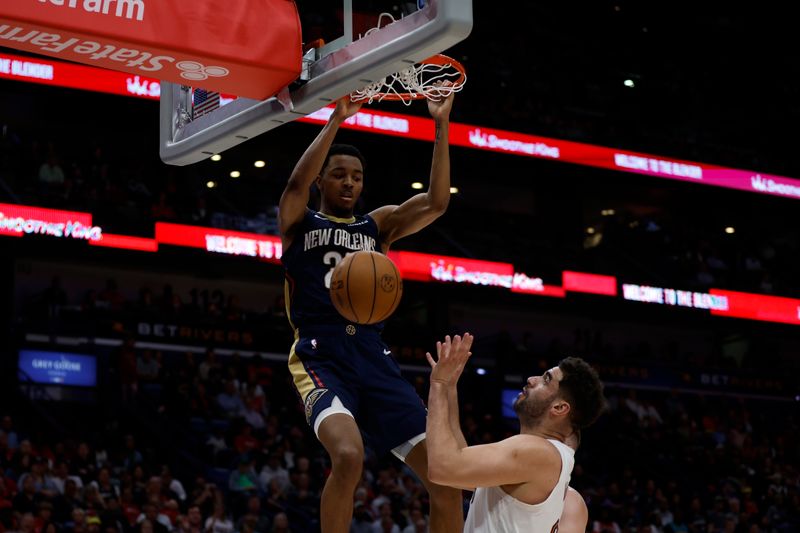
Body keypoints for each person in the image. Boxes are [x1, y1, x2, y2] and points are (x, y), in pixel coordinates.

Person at [278, 93, 457, 533]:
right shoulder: (300, 222)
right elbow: (294, 188)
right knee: (348, 455)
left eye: (356, 177)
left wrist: (440, 125)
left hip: (372, 353)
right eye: (338, 175)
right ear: (323, 179)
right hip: (320, 353)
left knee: (448, 477)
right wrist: (336, 117)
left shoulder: (376, 226)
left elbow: (436, 202)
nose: (349, 183)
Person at [425, 334, 605, 532]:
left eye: (546, 380)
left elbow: (442, 468)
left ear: (560, 407)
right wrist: (449, 388)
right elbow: (460, 464)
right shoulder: (547, 458)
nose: (532, 379)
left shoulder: (538, 452)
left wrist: (439, 383)